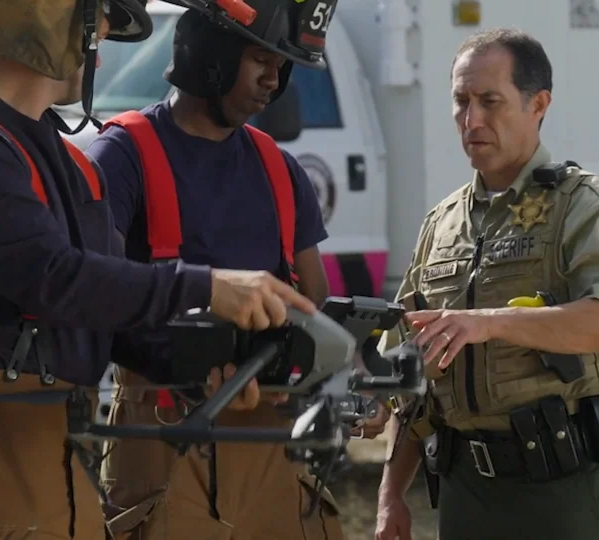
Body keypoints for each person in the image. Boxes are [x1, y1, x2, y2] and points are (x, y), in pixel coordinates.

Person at [0, 0, 317, 538]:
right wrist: (207, 286)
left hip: (55, 464)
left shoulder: (68, 163)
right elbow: (57, 281)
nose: (102, 44)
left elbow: (106, 315)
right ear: (51, 23)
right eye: (97, 23)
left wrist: (199, 369)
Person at [85, 2, 386, 538]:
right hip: (164, 433)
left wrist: (349, 374)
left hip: (272, 437)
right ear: (209, 58)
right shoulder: (124, 155)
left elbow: (314, 301)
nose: (274, 80)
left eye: (283, 65)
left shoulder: (279, 167)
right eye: (260, 60)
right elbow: (96, 297)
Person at [373, 28, 599, 540]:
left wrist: (488, 323)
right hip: (467, 493)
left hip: (565, 491)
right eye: (460, 101)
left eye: (490, 101)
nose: (471, 120)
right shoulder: (440, 225)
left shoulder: (583, 204)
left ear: (538, 104)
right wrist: (390, 495)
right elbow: (409, 377)